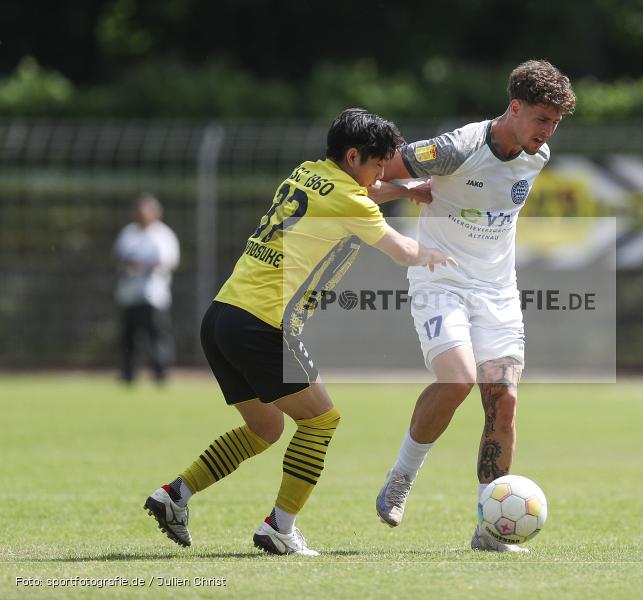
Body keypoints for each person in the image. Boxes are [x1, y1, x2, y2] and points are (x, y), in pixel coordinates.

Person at [144, 108, 455, 556]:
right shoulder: (351, 202)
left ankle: (175, 494)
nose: (381, 174)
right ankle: (280, 527)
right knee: (321, 420)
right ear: (353, 156)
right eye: (377, 164)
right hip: (263, 323)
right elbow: (402, 249)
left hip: (222, 316)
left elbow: (364, 193)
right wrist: (437, 254)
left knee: (265, 428)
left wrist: (407, 190)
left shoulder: (307, 172)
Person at [371, 60, 576, 552]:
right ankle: (402, 477)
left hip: (498, 291)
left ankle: (489, 527)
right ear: (515, 108)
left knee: (504, 399)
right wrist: (408, 189)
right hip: (440, 280)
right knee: (458, 380)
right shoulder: (456, 148)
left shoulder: (537, 155)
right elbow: (370, 180)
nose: (547, 132)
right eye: (541, 119)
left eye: (555, 123)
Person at [113, 194, 180, 384]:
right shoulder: (128, 233)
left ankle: (161, 373)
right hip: (129, 294)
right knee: (129, 337)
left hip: (154, 295)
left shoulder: (163, 235)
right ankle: (128, 374)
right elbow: (120, 257)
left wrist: (143, 265)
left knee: (157, 335)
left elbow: (168, 261)